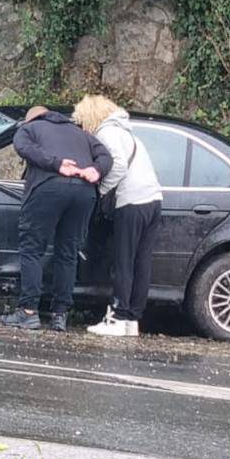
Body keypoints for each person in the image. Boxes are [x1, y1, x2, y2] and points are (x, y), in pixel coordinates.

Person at [0, 106, 113, 332]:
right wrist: (96, 170)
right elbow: (106, 156)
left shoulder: (29, 128)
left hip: (48, 188)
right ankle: (59, 314)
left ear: (31, 119)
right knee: (68, 252)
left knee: (32, 249)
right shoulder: (81, 133)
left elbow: (22, 146)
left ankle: (28, 312)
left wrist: (56, 163)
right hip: (84, 192)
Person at [73, 95, 162, 337]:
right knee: (141, 262)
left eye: (81, 122)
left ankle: (118, 317)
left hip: (131, 201)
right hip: (153, 200)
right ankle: (133, 319)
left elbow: (118, 165)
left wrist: (102, 190)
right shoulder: (128, 133)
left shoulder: (108, 133)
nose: (82, 128)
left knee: (124, 261)